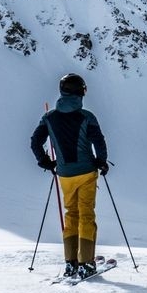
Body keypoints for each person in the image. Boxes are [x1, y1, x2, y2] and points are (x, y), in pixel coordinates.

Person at [31, 73, 109, 279]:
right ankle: (86, 263)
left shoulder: (49, 118)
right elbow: (99, 143)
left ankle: (71, 262)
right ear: (81, 92)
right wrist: (102, 161)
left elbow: (35, 142)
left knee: (70, 214)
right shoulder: (87, 117)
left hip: (64, 174)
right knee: (86, 215)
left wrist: (46, 162)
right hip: (86, 173)